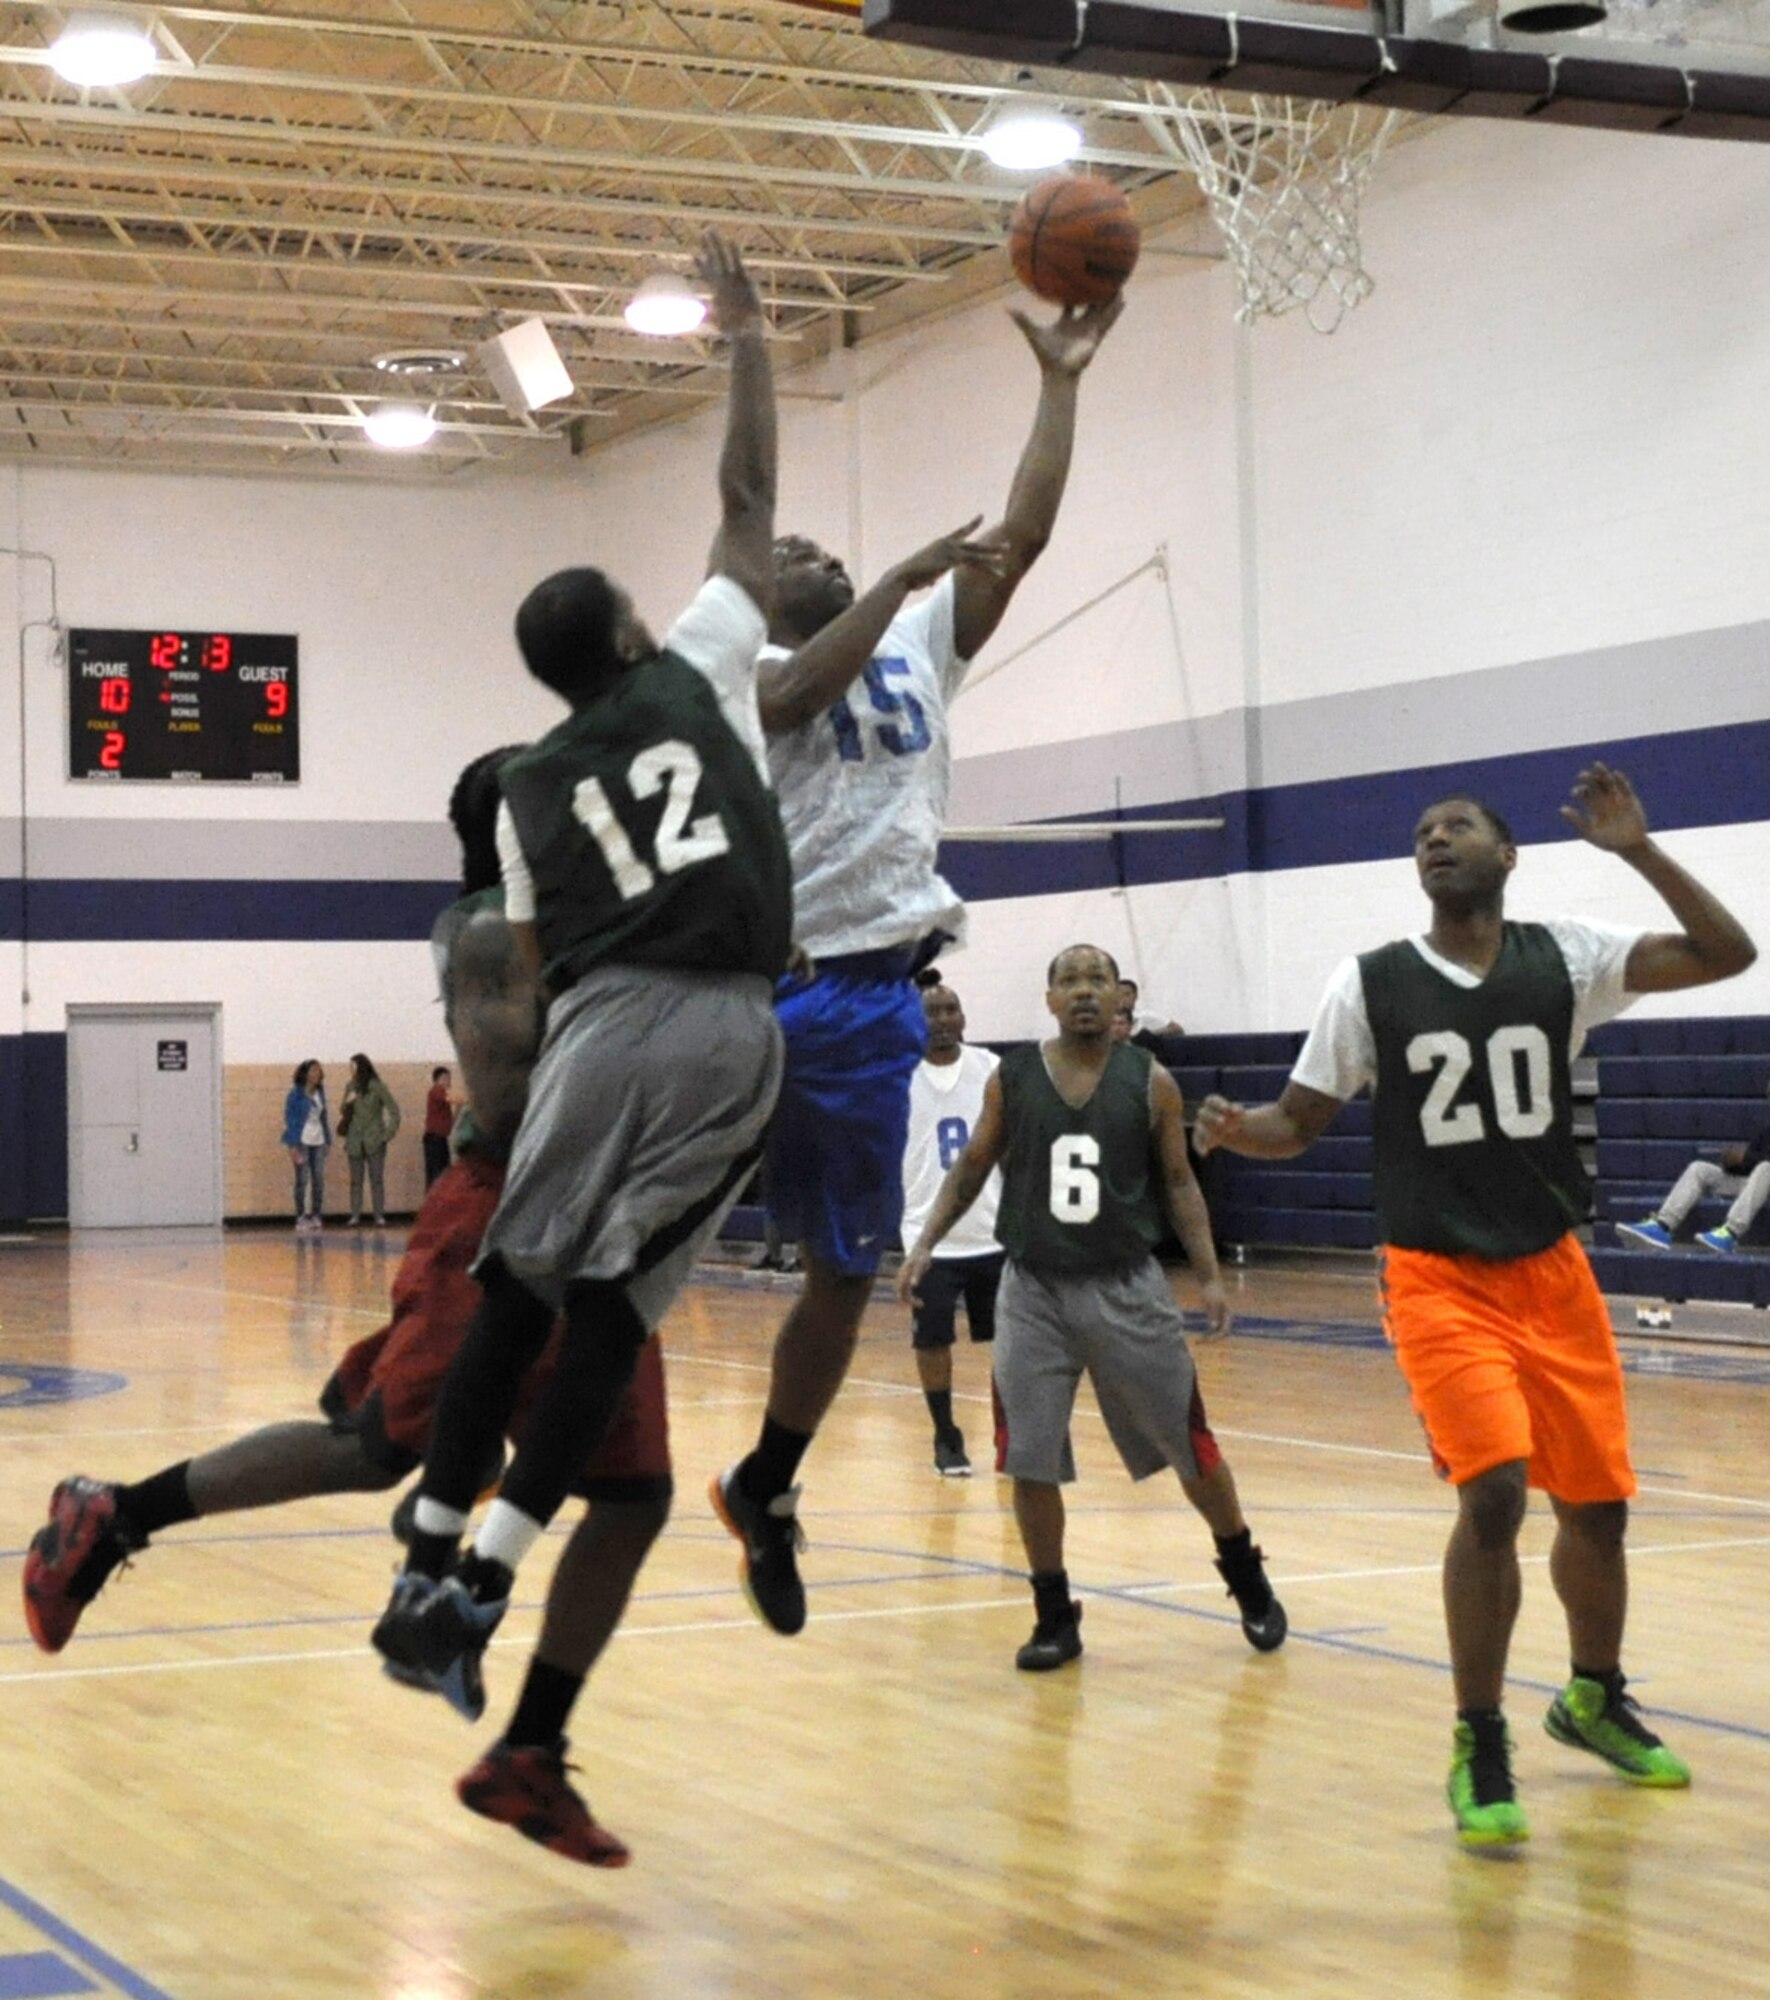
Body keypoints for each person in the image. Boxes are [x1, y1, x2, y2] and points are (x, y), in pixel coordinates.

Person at [22, 746, 665, 1865]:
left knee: (634, 1493)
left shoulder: (587, 928)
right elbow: (525, 1084)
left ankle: (531, 1744)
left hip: (599, 1229)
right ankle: (115, 1510)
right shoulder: (481, 936)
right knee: (373, 1450)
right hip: (503, 1220)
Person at [371, 229, 794, 1738]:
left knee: (516, 1288)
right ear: (627, 633)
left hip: (596, 1028)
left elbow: (538, 962)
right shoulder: (696, 665)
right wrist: (745, 338)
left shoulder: (531, 787)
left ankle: (426, 1554)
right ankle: (491, 1567)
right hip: (722, 1022)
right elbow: (747, 502)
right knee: (617, 1306)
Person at [1195, 767, 1756, 1848]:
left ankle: (1591, 1694)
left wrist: (1638, 848)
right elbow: (1297, 1122)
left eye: (1458, 826)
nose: (1434, 839)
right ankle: (1479, 1733)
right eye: (1420, 832)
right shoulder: (1368, 982)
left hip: (1553, 1270)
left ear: (1509, 855)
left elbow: (1731, 953)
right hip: (1437, 1274)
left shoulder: (1571, 954)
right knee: (1494, 1494)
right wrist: (1236, 1125)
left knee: (1599, 1507)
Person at [711, 294, 1125, 1637]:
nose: (810, 550)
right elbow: (789, 702)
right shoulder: (740, 663)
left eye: (826, 548)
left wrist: (1059, 384)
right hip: (756, 989)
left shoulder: (913, 642)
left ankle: (766, 1483)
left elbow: (1022, 538)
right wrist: (891, 577)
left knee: (843, 1271)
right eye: (787, 549)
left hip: (872, 995)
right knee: (622, 1258)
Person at [898, 942, 1286, 1673]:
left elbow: (1177, 1181)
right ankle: (1053, 1612)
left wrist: (1207, 1275)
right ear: (1047, 999)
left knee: (1189, 1445)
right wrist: (923, 1246)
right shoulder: (1012, 1080)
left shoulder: (1153, 1081)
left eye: (1096, 980)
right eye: (1068, 980)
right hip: (1033, 1288)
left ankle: (1244, 1570)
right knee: (1030, 1459)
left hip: (1126, 1283)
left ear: (1120, 1001)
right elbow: (973, 1165)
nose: (1083, 991)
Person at [900, 975, 1003, 1477]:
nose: (942, 1021)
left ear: (963, 1017)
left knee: (1011, 1343)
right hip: (928, 1238)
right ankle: (945, 1434)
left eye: (950, 1010)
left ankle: (1012, 1434)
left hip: (993, 1233)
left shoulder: (991, 1069)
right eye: (931, 1013)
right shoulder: (897, 1076)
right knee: (931, 1341)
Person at [1616, 1081, 1770, 1253]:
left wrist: (1748, 1157)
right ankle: (1662, 1226)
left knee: (1766, 1168)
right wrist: (1732, 1163)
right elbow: (1749, 1168)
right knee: (1699, 1168)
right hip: (1757, 1187)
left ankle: (1730, 1233)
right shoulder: (1766, 1131)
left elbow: (1761, 1165)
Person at [340, 1051, 402, 1226]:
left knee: (376, 1179)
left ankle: (378, 1215)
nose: (351, 1071)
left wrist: (387, 1135)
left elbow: (394, 1112)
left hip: (375, 1139)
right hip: (354, 1139)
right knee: (355, 1181)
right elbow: (344, 1111)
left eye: (353, 1067)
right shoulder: (350, 1086)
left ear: (361, 1067)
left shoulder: (378, 1086)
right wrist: (347, 1101)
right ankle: (355, 1215)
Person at [280, 1059, 330, 1233]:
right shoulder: (295, 1094)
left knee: (319, 1179)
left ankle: (316, 1214)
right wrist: (292, 1145)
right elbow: (290, 1119)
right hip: (301, 1140)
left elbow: (324, 1117)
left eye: (319, 1071)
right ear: (306, 1073)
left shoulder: (321, 1092)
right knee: (302, 1179)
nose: (317, 1074)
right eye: (313, 1071)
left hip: (319, 1140)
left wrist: (328, 1140)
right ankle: (301, 1215)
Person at [423, 1066, 456, 1189]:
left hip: (440, 1139)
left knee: (443, 1174)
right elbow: (452, 1098)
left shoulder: (443, 1098)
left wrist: (459, 1108)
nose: (448, 1081)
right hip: (434, 1139)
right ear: (436, 1081)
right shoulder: (436, 1091)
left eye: (449, 1078)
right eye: (445, 1078)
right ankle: (432, 1205)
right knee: (436, 1175)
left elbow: (450, 1125)